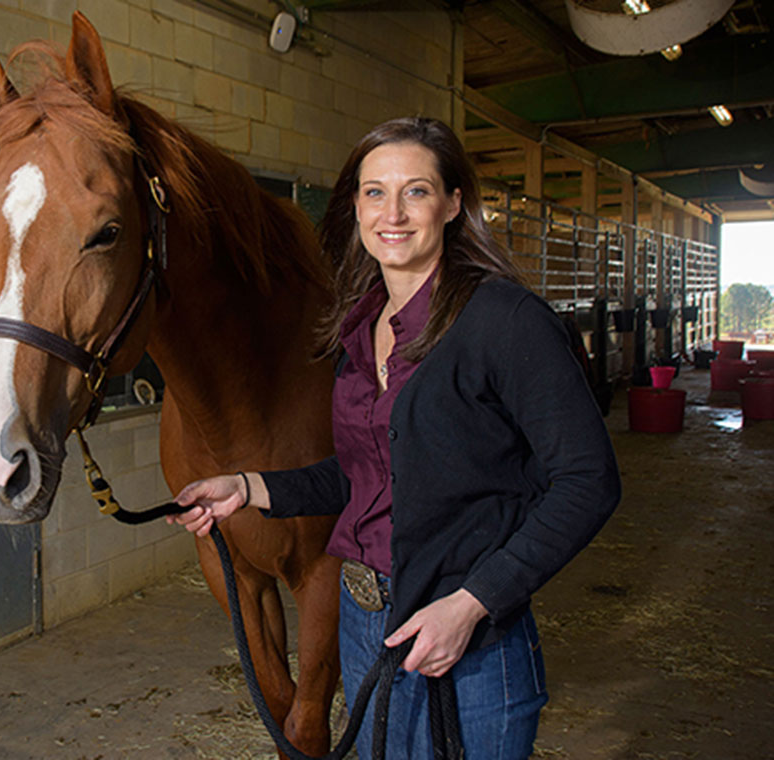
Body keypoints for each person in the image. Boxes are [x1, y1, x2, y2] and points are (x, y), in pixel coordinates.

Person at [168, 117, 620, 759]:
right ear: (354, 206)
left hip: (469, 635)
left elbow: (588, 482)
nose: (394, 213)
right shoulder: (360, 326)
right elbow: (368, 470)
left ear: (454, 202)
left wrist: (471, 604)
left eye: (417, 191)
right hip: (365, 622)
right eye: (375, 192)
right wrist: (248, 488)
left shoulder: (506, 321)